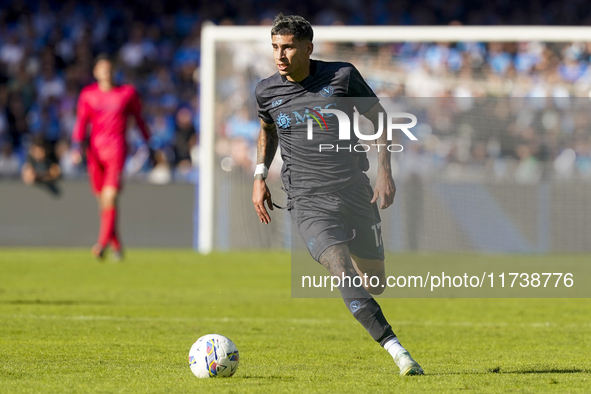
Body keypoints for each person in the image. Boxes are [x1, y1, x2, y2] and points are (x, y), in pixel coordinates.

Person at [252, 14, 424, 376]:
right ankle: (398, 352)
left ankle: (370, 296)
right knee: (342, 271)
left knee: (374, 280)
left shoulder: (342, 77)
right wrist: (260, 174)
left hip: (354, 191)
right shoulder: (267, 91)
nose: (279, 56)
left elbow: (380, 120)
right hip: (307, 200)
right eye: (275, 48)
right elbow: (268, 131)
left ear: (308, 48)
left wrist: (385, 172)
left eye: (287, 47)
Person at [72, 54, 151, 261]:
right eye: (102, 69)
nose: (106, 72)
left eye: (109, 68)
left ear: (114, 71)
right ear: (96, 72)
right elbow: (81, 123)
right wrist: (76, 147)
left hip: (116, 150)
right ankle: (117, 247)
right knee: (103, 202)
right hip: (94, 153)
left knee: (110, 197)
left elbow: (139, 119)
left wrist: (150, 142)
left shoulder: (127, 93)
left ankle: (101, 244)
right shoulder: (88, 95)